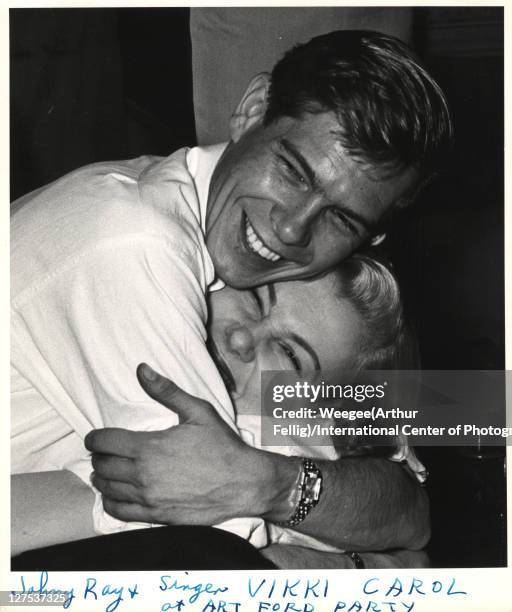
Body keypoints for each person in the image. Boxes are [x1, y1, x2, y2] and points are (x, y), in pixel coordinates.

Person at [11, 30, 450, 559]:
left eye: (341, 218)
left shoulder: (226, 243)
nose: (291, 229)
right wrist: (352, 557)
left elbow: (411, 507)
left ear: (370, 236)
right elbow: (223, 541)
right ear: (249, 111)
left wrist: (282, 483)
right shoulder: (138, 243)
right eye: (291, 169)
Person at [13, 253, 426, 568]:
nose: (243, 338)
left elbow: (412, 512)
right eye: (254, 299)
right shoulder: (140, 292)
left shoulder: (273, 438)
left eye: (289, 355)